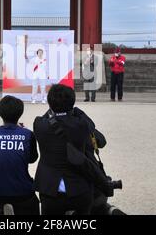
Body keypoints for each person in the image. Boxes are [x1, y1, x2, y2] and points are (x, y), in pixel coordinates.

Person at [33, 84, 101, 215]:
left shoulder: (40, 124)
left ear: (50, 103)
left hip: (50, 188)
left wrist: (53, 110)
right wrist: (74, 110)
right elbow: (90, 124)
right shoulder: (81, 125)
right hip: (79, 187)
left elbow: (46, 116)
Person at [0, 96, 39, 215]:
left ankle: (1, 207)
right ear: (20, 113)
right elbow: (32, 159)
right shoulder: (28, 135)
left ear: (0, 112)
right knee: (33, 203)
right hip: (21, 191)